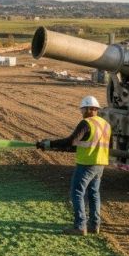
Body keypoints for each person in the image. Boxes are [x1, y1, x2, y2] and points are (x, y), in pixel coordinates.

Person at [36, 95, 111, 236]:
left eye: (83, 110)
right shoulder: (105, 124)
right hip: (100, 164)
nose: (81, 113)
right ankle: (95, 225)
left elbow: (72, 141)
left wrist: (50, 143)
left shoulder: (86, 123)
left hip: (86, 164)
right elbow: (83, 144)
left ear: (89, 109)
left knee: (77, 192)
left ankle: (80, 226)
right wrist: (54, 147)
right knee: (94, 193)